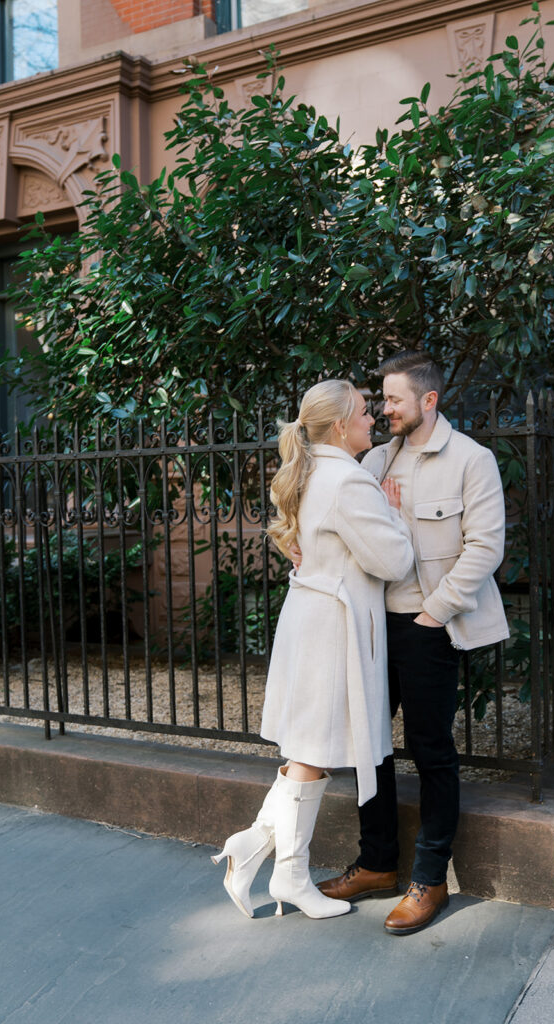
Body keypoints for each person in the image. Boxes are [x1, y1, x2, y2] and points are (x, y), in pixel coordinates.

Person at [318, 351, 509, 935]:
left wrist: (434, 613)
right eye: (381, 399)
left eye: (394, 399)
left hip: (429, 629)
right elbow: (330, 507)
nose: (384, 408)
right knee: (368, 745)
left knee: (431, 752)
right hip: (372, 625)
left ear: (428, 400)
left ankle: (429, 879)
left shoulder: (472, 461)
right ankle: (377, 864)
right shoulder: (374, 459)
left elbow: (486, 547)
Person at [211, 379, 413, 920]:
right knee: (311, 751)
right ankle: (288, 873)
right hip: (331, 629)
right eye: (365, 413)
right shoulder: (349, 481)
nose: (372, 420)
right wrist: (393, 513)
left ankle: (258, 851)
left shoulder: (310, 472)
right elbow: (394, 563)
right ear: (341, 423)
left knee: (307, 748)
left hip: (310, 619)